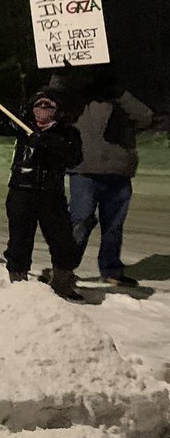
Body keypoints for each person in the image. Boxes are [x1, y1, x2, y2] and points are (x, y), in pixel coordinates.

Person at [0, 86, 84, 300]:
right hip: (21, 192)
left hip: (51, 194)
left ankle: (62, 283)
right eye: (39, 104)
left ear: (58, 110)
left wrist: (49, 142)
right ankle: (18, 284)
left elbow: (75, 157)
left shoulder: (68, 133)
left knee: (63, 241)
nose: (43, 109)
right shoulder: (21, 127)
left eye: (49, 105)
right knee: (19, 240)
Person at [67, 66, 154, 287]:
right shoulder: (78, 100)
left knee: (114, 225)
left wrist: (119, 94)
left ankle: (111, 269)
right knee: (81, 219)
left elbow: (145, 117)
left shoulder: (122, 100)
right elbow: (54, 102)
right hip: (84, 170)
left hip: (118, 170)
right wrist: (61, 76)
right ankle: (65, 267)